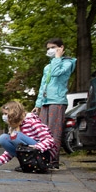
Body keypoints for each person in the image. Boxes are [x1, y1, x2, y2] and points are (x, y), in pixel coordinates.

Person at [32, 38, 76, 169]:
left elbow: (57, 73)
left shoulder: (68, 62)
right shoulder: (48, 66)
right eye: (48, 48)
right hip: (45, 101)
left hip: (57, 101)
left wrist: (57, 57)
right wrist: (38, 103)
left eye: (52, 47)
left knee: (54, 132)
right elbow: (43, 85)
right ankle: (43, 159)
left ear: (61, 48)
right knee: (43, 132)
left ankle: (53, 161)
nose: (49, 50)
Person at [0, 101, 58, 171]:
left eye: (6, 114)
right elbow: (10, 151)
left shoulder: (32, 122)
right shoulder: (16, 127)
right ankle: (27, 163)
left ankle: (37, 163)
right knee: (3, 138)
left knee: (15, 135)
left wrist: (38, 146)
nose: (4, 117)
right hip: (32, 153)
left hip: (44, 154)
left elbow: (49, 140)